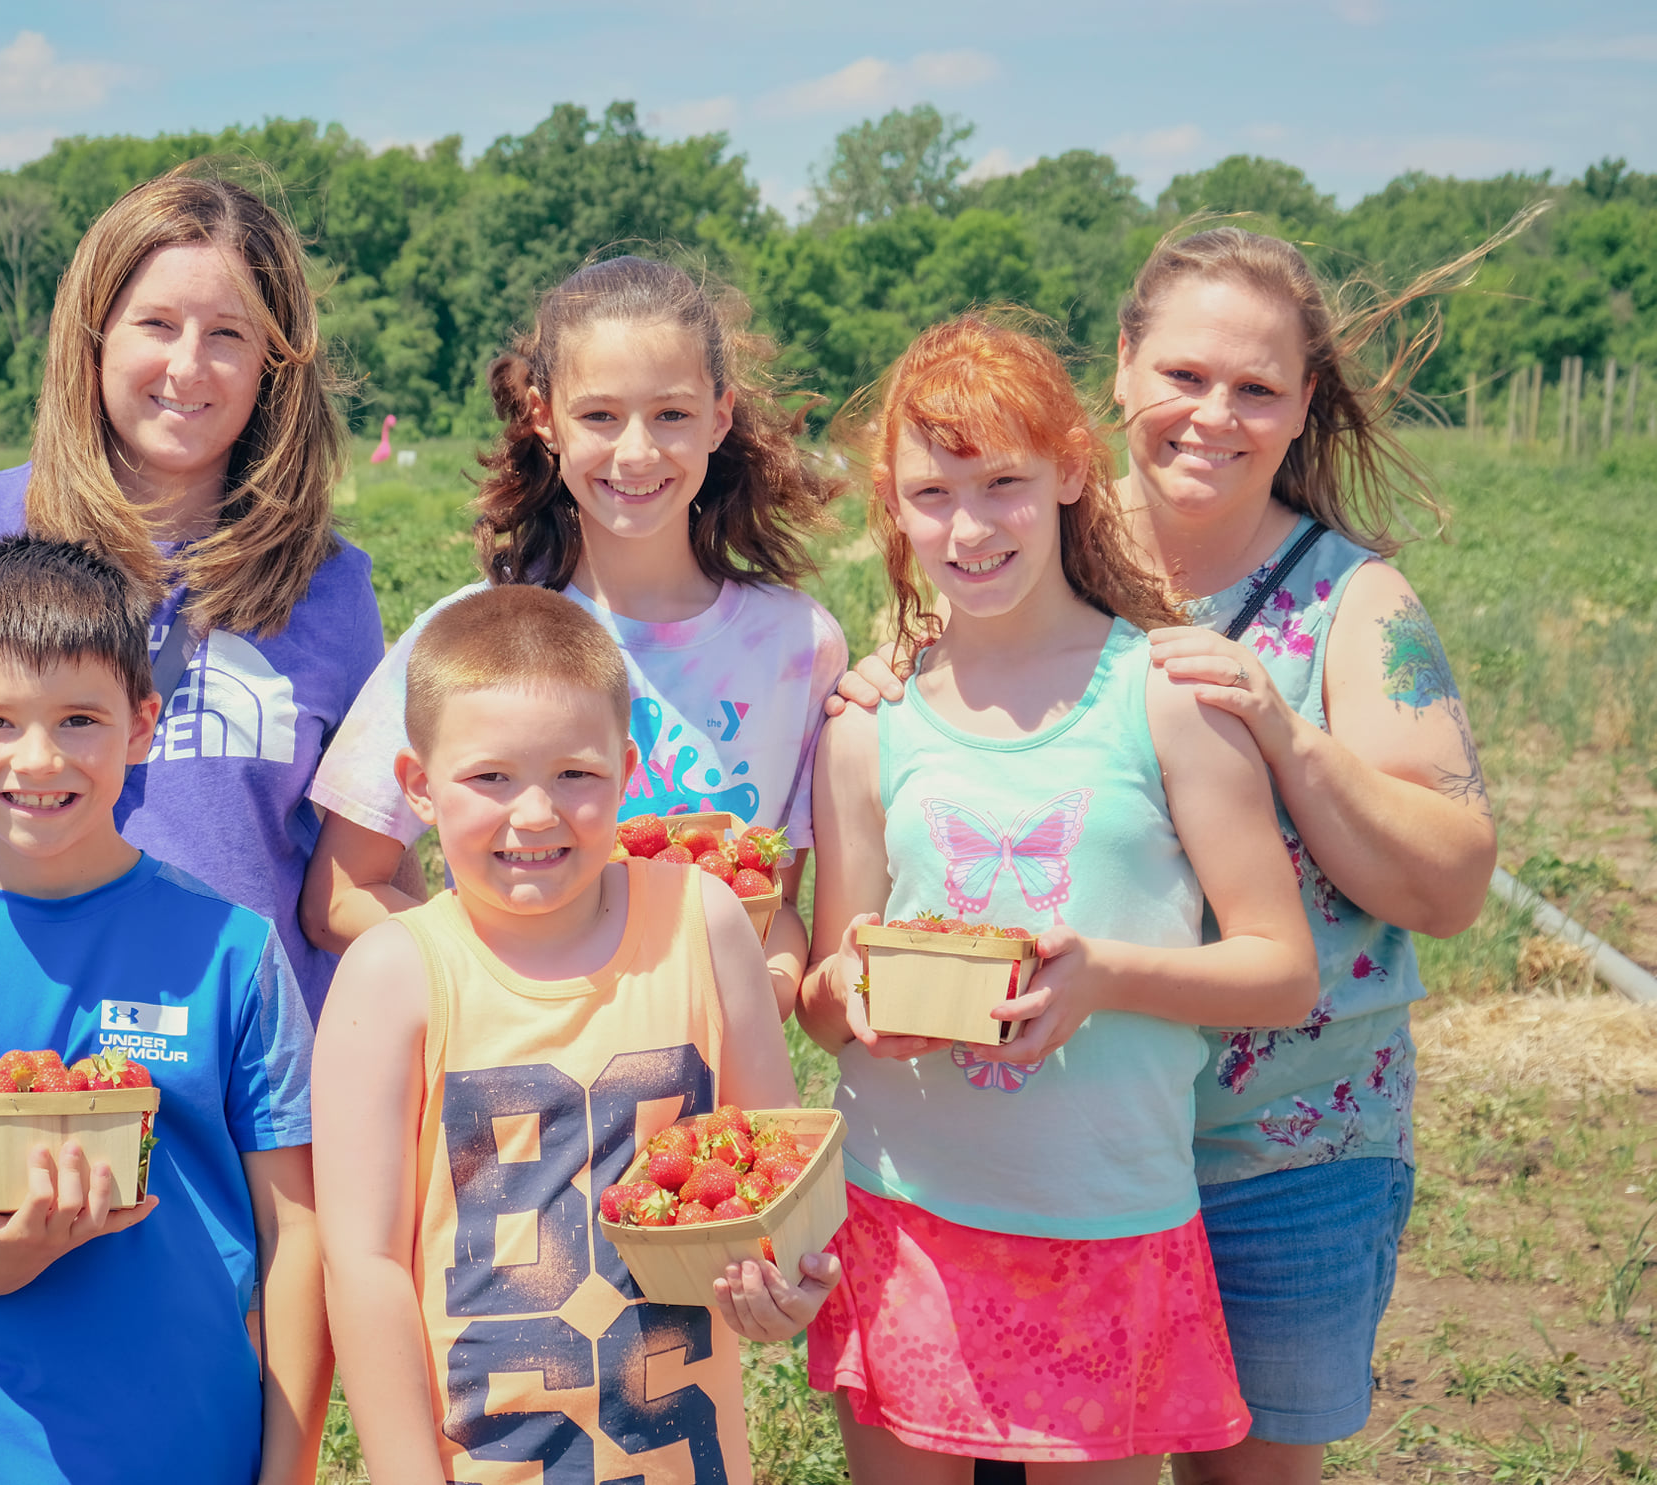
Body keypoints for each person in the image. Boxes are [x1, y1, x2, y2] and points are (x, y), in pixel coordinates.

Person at [833, 230, 1501, 1485]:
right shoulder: (1016, 531)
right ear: (1122, 368)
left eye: (1255, 388)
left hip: (1276, 1141)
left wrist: (1280, 733)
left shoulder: (1350, 602)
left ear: (1300, 405)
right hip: (1028, 1146)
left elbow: (1452, 882)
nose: (1213, 416)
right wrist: (887, 679)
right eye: (1185, 376)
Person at [0, 169, 384, 1315]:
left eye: (228, 335)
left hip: (230, 1113)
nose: (188, 366)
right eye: (155, 324)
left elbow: (345, 876)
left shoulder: (328, 587)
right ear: (91, 336)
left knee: (207, 1390)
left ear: (275, 366)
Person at [797, 313, 1319, 1481]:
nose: (969, 527)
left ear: (1072, 472)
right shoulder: (869, 726)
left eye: (1003, 484)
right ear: (892, 506)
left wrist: (1105, 977)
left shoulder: (1164, 696)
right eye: (932, 494)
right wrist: (858, 993)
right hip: (901, 1210)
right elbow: (825, 1003)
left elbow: (1281, 972)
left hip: (1102, 1217)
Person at [0, 537, 324, 1484]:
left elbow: (298, 1236)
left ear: (142, 724)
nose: (38, 758)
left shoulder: (231, 955)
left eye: (80, 718)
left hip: (191, 1449)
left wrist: (288, 1470)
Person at [312, 583, 839, 1485]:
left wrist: (783, 1288)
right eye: (490, 777)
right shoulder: (393, 976)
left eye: (575, 775)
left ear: (627, 772)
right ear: (419, 787)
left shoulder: (706, 924)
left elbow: (770, 1185)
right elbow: (364, 1265)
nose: (535, 813)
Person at [302, 254, 846, 1016]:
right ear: (543, 416)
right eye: (599, 416)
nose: (637, 451)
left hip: (706, 1076)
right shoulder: (470, 635)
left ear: (719, 417)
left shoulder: (797, 647)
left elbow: (774, 906)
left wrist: (760, 998)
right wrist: (505, 979)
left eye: (671, 414)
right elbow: (339, 893)